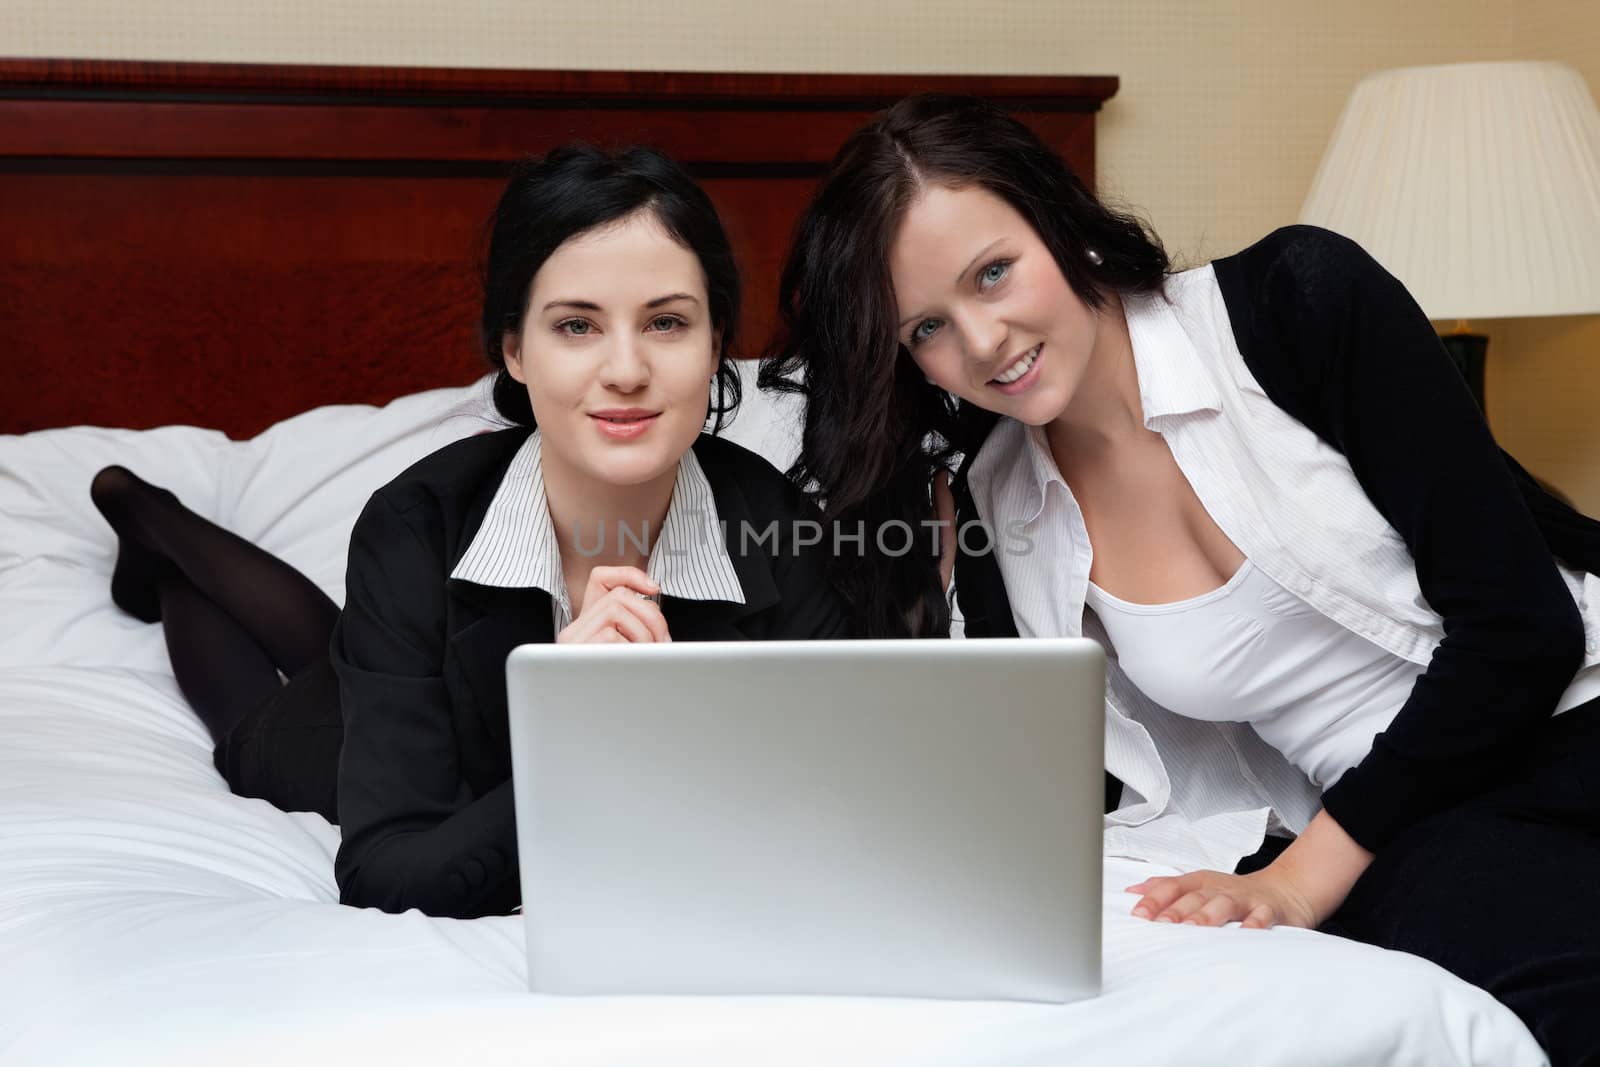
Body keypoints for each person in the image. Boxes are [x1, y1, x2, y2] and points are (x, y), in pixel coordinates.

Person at [762, 93, 1600, 1063]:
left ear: (1057, 218)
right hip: (1413, 824)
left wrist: (1301, 878)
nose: (982, 342)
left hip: (1566, 714)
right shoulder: (1001, 504)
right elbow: (1058, 777)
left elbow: (1524, 629)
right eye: (927, 330)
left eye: (994, 272)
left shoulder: (1299, 300)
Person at [91, 144, 848, 921]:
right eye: (577, 325)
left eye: (666, 321)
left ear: (717, 342)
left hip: (408, 675)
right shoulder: (416, 526)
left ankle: (156, 523)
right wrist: (575, 731)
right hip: (368, 720)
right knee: (252, 733)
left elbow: (827, 816)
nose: (626, 369)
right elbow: (388, 875)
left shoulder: (783, 533)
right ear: (515, 349)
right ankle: (161, 544)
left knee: (340, 650)